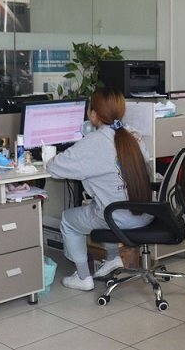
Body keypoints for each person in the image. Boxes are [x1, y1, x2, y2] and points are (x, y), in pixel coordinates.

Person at [46, 88, 153, 291]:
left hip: (118, 218)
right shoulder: (133, 135)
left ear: (93, 114)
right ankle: (112, 259)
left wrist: (48, 155)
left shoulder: (94, 142)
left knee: (68, 219)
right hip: (145, 215)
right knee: (100, 203)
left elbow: (54, 168)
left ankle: (83, 277)